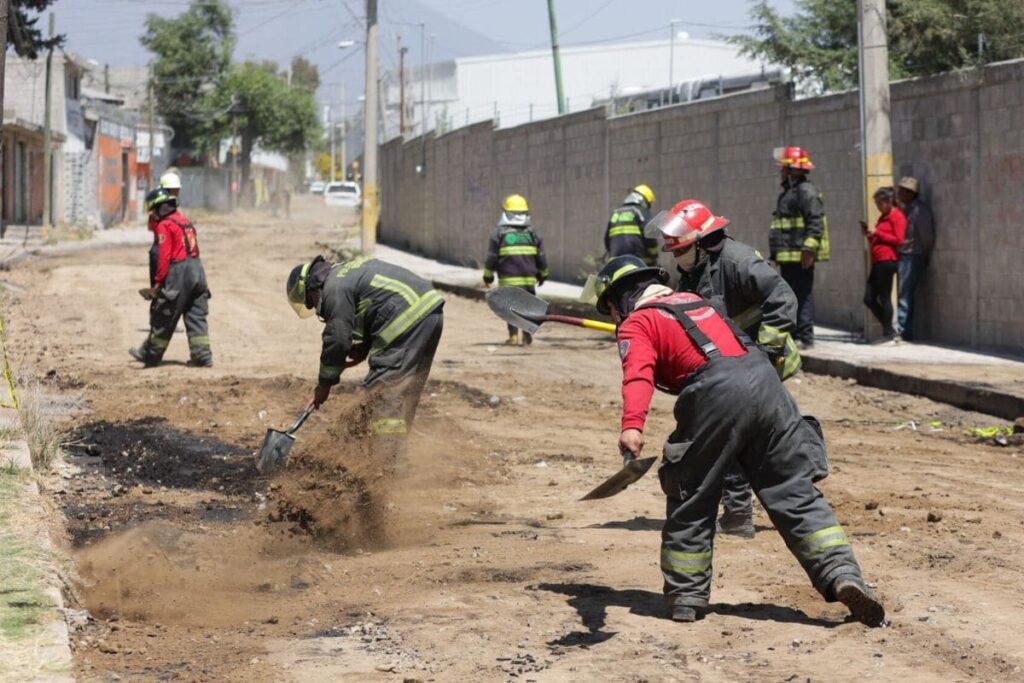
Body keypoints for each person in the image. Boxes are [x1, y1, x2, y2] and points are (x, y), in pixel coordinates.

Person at [591, 254, 885, 626]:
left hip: (716, 391)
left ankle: (686, 597)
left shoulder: (639, 322)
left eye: (611, 310)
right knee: (793, 490)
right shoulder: (698, 302)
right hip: (765, 383)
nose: (615, 318)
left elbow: (638, 375)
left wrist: (632, 426)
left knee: (691, 491)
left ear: (619, 299)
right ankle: (842, 574)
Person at [651, 199, 801, 538]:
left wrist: (768, 348)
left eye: (681, 250)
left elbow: (781, 297)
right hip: (733, 364)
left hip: (763, 361)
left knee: (731, 431)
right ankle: (751, 508)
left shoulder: (738, 261)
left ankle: (741, 513)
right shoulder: (694, 272)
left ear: (704, 242)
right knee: (745, 434)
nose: (676, 257)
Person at [286, 256, 444, 459]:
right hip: (430, 312)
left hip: (408, 317)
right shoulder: (344, 273)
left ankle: (387, 469)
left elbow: (337, 338)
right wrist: (366, 345)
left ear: (312, 289)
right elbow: (379, 301)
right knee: (405, 392)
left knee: (382, 393)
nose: (314, 309)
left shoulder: (333, 289)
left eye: (310, 303)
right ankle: (397, 459)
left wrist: (324, 384)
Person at [130, 188, 212, 367]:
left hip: (180, 270)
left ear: (159, 208)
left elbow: (164, 256)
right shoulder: (185, 221)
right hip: (198, 270)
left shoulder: (164, 225)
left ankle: (150, 354)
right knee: (195, 313)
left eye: (153, 210)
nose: (152, 214)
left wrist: (159, 282)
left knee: (165, 311)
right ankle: (202, 356)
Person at [770, 147, 830, 348]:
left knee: (802, 294)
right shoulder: (790, 191)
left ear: (792, 169)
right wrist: (777, 254)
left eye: (784, 168)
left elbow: (816, 222)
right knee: (791, 295)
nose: (781, 172)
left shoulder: (806, 191)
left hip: (800, 255)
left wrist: (809, 250)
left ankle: (805, 337)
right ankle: (794, 335)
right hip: (789, 256)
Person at [483, 194, 548, 346]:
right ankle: (527, 335)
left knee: (509, 308)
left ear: (506, 213)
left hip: (508, 279)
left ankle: (513, 337)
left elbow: (491, 257)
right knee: (527, 307)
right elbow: (541, 257)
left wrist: (487, 276)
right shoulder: (533, 234)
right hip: (528, 280)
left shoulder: (499, 233)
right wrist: (543, 274)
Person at [861, 187, 906, 341]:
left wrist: (878, 233)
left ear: (888, 202)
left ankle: (889, 331)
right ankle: (889, 329)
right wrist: (869, 235)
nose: (878, 207)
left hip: (888, 260)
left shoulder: (897, 217)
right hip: (878, 260)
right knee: (869, 298)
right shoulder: (883, 217)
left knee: (884, 297)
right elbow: (878, 240)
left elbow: (899, 239)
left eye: (879, 203)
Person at [895, 177, 934, 341]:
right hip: (904, 255)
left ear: (911, 193)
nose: (899, 194)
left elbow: (926, 236)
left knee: (905, 294)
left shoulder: (919, 211)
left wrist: (924, 255)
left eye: (902, 191)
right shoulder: (905, 209)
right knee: (904, 294)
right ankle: (904, 330)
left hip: (912, 256)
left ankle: (903, 330)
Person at [605, 184, 659, 265]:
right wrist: (654, 257)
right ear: (643, 200)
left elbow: (607, 240)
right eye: (649, 203)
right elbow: (651, 238)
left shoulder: (615, 213)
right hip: (637, 261)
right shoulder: (642, 212)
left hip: (615, 262)